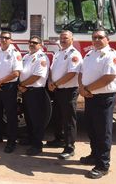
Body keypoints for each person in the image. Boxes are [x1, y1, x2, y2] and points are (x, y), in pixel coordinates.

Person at [79, 29, 116, 179]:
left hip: (104, 98)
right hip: (89, 96)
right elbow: (81, 72)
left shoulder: (112, 55)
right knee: (91, 128)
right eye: (94, 37)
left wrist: (87, 89)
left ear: (107, 39)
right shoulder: (90, 54)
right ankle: (94, 155)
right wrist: (81, 88)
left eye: (100, 37)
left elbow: (109, 77)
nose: (97, 39)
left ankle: (103, 165)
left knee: (103, 132)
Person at [47, 30, 82, 159]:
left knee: (69, 120)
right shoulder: (58, 53)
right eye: (61, 38)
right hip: (58, 90)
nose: (62, 40)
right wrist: (51, 81)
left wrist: (55, 84)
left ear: (72, 39)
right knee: (57, 116)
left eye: (65, 38)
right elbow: (52, 70)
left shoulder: (74, 54)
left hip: (69, 90)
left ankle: (69, 147)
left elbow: (72, 74)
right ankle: (58, 139)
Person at [18, 35, 50, 156]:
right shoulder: (27, 56)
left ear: (40, 45)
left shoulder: (42, 57)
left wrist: (22, 84)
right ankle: (31, 139)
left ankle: (37, 145)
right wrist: (22, 85)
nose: (32, 44)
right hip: (26, 91)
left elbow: (37, 76)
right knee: (29, 118)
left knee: (37, 120)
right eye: (30, 42)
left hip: (35, 92)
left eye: (35, 43)